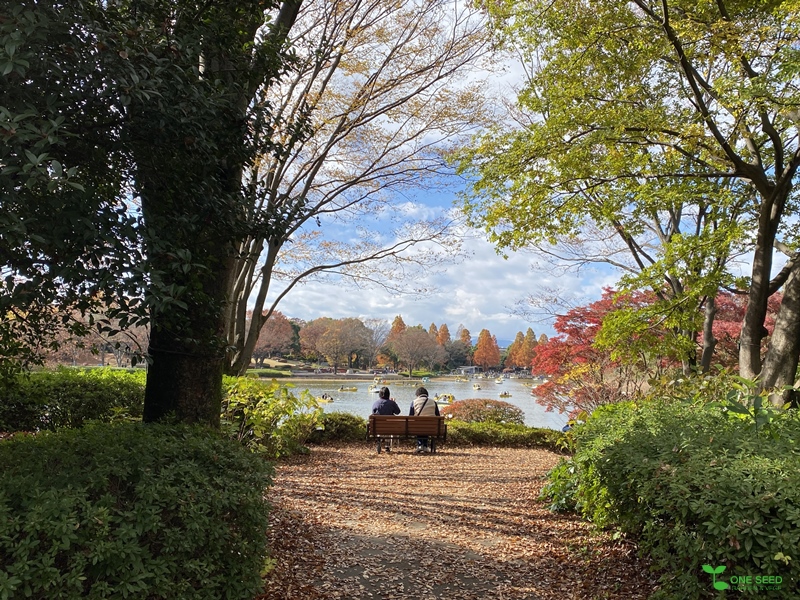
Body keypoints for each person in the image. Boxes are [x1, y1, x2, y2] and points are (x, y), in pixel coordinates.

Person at [409, 386, 439, 453]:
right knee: (426, 424)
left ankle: (420, 446)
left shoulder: (414, 402)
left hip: (417, 427)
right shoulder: (433, 402)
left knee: (419, 424)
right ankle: (425, 446)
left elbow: (410, 416)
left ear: (417, 395)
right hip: (431, 427)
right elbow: (438, 416)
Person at [372, 387, 400, 452]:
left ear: (380, 394)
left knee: (380, 425)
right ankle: (387, 446)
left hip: (378, 427)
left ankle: (379, 440)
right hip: (390, 426)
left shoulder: (376, 403)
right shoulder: (392, 403)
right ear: (388, 394)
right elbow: (398, 412)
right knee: (389, 426)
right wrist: (394, 402)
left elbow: (373, 413)